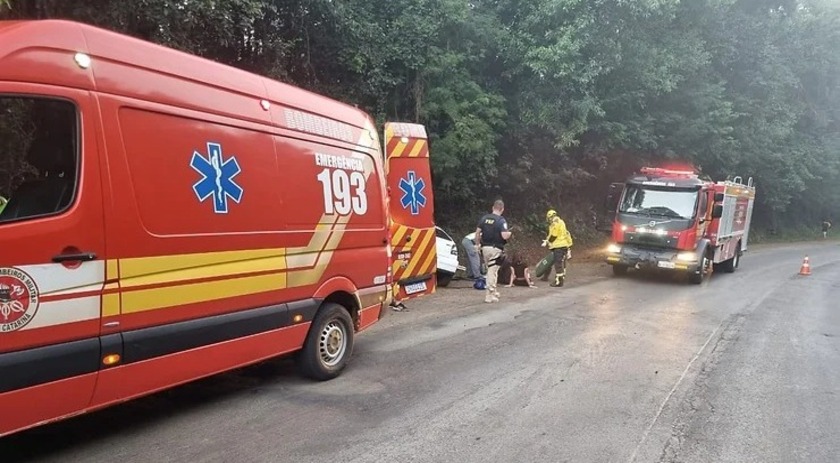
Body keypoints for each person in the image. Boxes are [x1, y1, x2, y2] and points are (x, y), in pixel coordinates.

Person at [474, 199, 513, 303]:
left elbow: (477, 233)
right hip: (495, 248)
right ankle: (489, 295)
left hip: (485, 248)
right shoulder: (501, 220)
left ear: (493, 208)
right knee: (492, 271)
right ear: (502, 209)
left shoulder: (484, 218)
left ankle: (494, 291)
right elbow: (504, 236)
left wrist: (477, 245)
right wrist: (509, 234)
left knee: (491, 269)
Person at [541, 209, 573, 287]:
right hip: (564, 245)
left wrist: (547, 242)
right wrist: (569, 246)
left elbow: (554, 235)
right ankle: (561, 278)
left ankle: (559, 281)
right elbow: (565, 233)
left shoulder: (555, 223)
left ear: (549, 217)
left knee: (558, 264)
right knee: (562, 264)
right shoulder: (561, 222)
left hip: (558, 246)